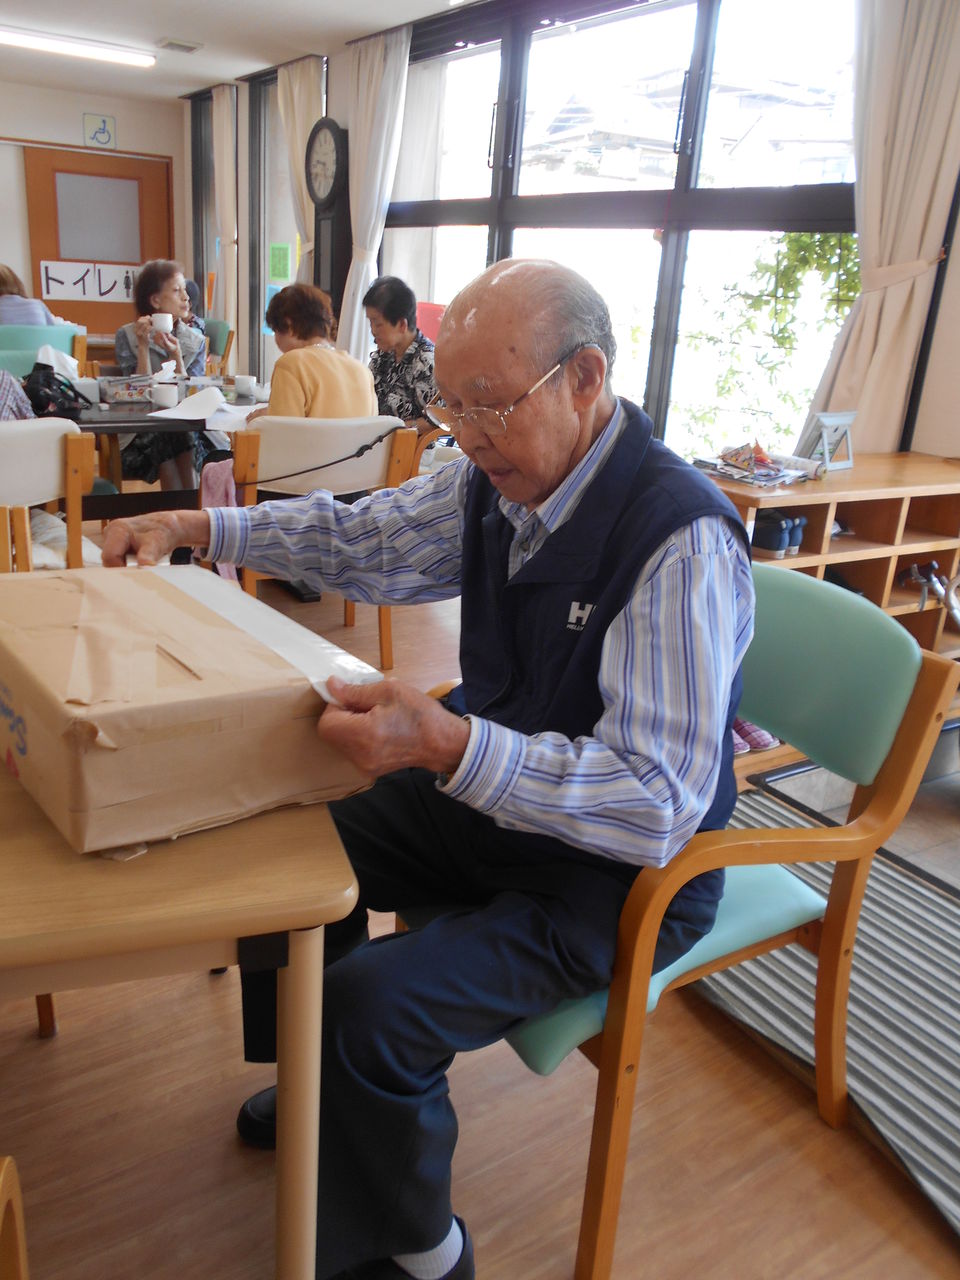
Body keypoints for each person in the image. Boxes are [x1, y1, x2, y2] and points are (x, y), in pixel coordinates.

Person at [101, 259, 755, 1280]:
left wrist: (446, 741)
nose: (469, 433)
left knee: (370, 1005)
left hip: (614, 873)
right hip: (500, 801)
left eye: (490, 405)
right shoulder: (493, 474)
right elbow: (363, 536)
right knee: (291, 838)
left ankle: (423, 1247)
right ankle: (323, 1088)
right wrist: (202, 524)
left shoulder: (680, 540)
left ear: (585, 377)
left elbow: (655, 805)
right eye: (452, 406)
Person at [114, 260, 210, 490]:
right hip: (140, 433)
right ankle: (184, 514)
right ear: (155, 300)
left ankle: (180, 514)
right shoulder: (128, 335)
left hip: (186, 428)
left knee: (178, 435)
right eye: (177, 291)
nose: (186, 297)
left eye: (185, 290)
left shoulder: (194, 340)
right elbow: (137, 394)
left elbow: (193, 397)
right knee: (168, 437)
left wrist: (177, 356)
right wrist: (143, 347)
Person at [248, 283, 377, 424]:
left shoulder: (291, 364)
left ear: (288, 325)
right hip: (354, 446)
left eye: (275, 330)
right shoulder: (362, 371)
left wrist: (262, 422)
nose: (276, 339)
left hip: (308, 446)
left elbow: (282, 434)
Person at [363, 275, 437, 421]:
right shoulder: (382, 356)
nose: (372, 331)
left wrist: (398, 432)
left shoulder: (427, 362)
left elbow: (436, 420)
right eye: (370, 322)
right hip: (375, 438)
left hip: (409, 442)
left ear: (402, 325)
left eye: (377, 324)